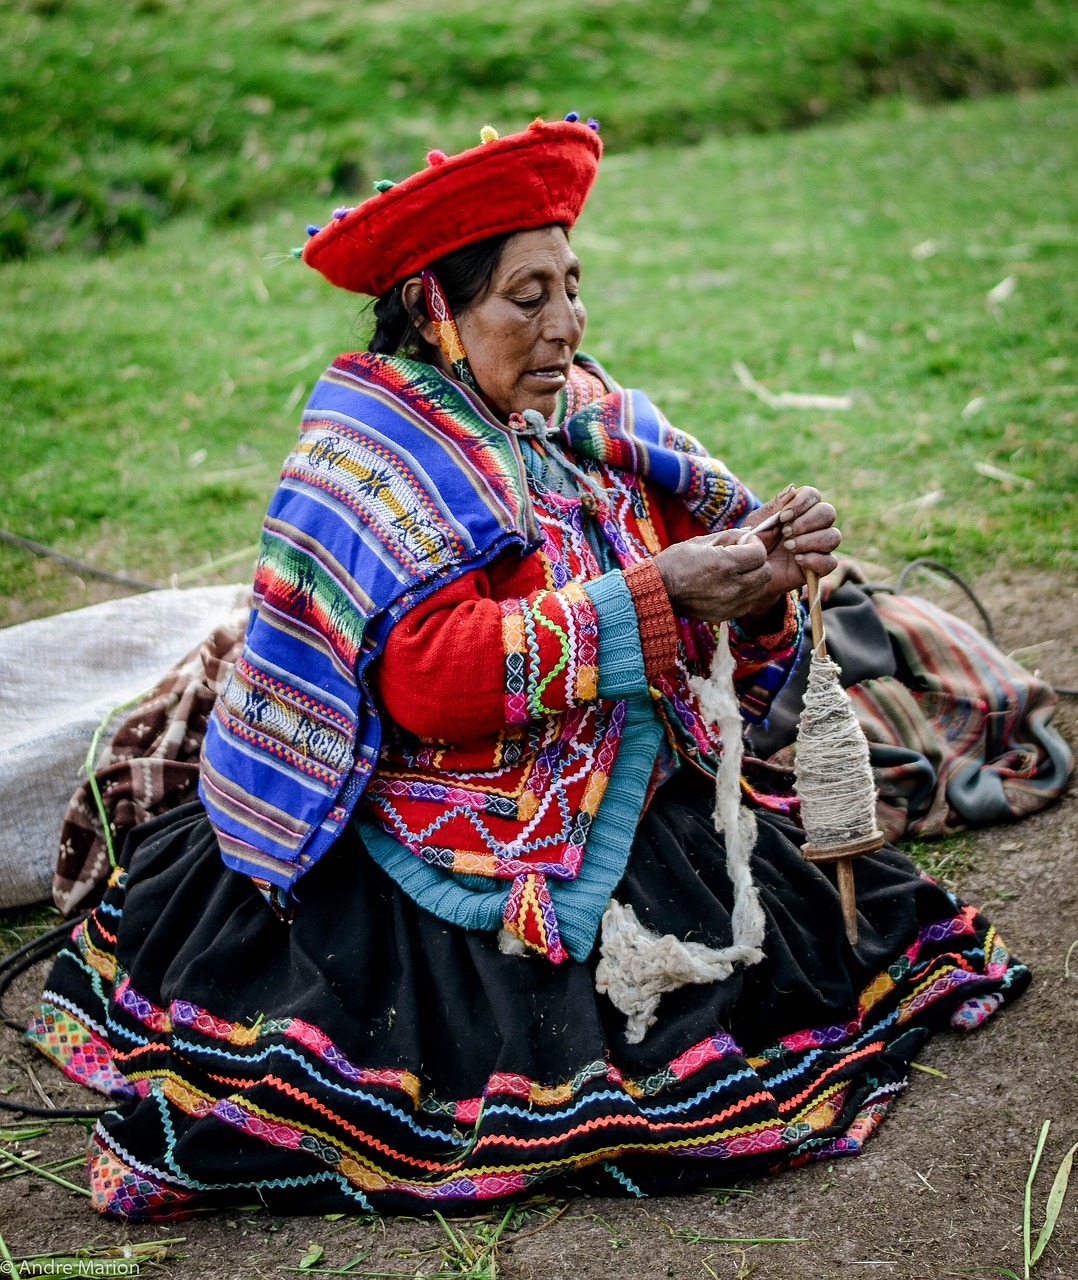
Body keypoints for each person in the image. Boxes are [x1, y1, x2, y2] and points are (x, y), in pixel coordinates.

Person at [26, 116, 1028, 1221]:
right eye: (527, 296)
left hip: (596, 773)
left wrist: (759, 565)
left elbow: (668, 542)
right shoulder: (374, 449)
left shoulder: (583, 415)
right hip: (414, 809)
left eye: (572, 286)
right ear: (433, 308)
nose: (566, 324)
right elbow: (420, 678)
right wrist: (659, 595)